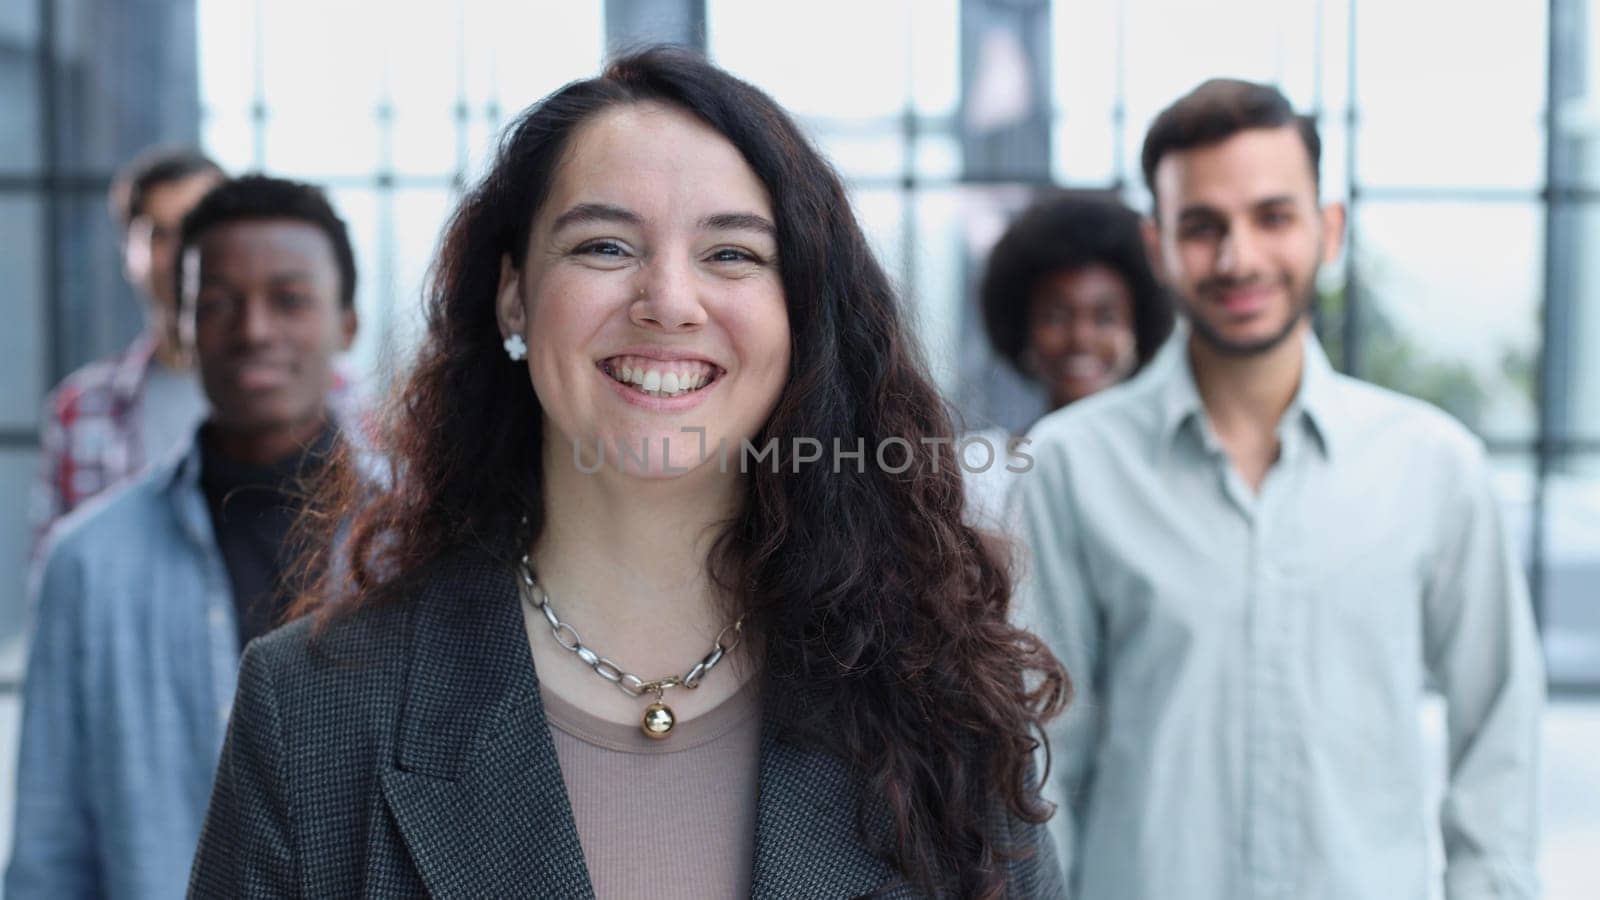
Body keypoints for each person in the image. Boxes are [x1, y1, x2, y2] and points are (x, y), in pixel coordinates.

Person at [189, 48, 1067, 899]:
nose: (669, 303)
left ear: (801, 315)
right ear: (513, 295)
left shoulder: (945, 701)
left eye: (732, 254)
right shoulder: (311, 710)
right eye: (606, 247)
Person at [1015, 79, 1544, 899]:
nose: (1238, 259)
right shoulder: (1069, 466)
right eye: (1202, 227)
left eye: (1272, 216)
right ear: (1158, 248)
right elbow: (1043, 755)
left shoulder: (1434, 466)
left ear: (1326, 230)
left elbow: (1498, 729)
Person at [7, 175, 362, 900]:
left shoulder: (425, 544)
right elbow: (48, 852)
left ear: (346, 324)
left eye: (290, 300)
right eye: (220, 305)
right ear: (181, 327)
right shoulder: (88, 564)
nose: (255, 329)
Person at [29, 148, 223, 551]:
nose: (179, 256)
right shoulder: (79, 408)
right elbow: (54, 576)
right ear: (128, 254)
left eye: (196, 229)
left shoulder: (328, 399)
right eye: (159, 235)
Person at [966, 192, 1174, 525]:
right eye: (1056, 316)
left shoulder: (1172, 472)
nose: (1081, 339)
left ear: (1138, 328)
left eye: (1105, 317)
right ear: (1024, 329)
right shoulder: (982, 472)